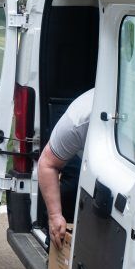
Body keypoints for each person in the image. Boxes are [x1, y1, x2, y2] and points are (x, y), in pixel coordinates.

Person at [38, 89, 93, 247]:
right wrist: (55, 216)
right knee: (67, 196)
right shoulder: (79, 119)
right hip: (80, 154)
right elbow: (47, 164)